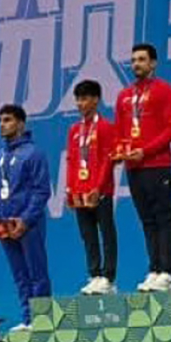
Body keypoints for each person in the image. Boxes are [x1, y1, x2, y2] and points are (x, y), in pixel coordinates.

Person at [115, 43, 171, 292]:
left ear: (153, 63)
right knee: (146, 219)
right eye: (133, 60)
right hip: (133, 167)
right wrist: (121, 151)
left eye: (142, 59)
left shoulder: (165, 91)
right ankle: (154, 269)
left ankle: (168, 272)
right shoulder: (124, 96)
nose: (136, 64)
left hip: (157, 164)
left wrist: (146, 150)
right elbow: (120, 131)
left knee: (164, 216)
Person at [0, 104, 52, 332]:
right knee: (19, 275)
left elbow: (41, 191)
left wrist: (25, 220)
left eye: (7, 120)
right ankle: (27, 319)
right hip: (5, 225)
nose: (2, 125)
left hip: (28, 224)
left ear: (21, 124)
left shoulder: (33, 153)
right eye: (0, 120)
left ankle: (41, 320)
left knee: (36, 273)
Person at [65, 80, 118, 296]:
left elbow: (108, 160)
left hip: (101, 190)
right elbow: (71, 160)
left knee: (106, 233)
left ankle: (108, 278)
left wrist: (98, 187)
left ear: (96, 100)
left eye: (85, 99)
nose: (80, 103)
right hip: (80, 192)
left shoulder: (106, 127)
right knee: (88, 235)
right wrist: (69, 189)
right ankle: (94, 275)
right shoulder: (74, 130)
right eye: (78, 99)